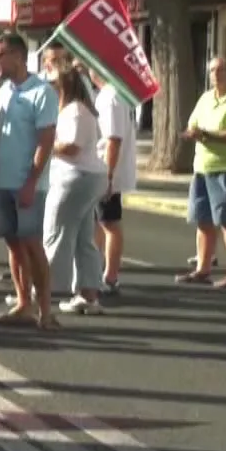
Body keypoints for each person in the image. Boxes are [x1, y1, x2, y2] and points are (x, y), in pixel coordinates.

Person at [0, 33, 58, 328]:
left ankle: (46, 311)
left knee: (31, 243)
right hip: (1, 179)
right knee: (13, 245)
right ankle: (22, 302)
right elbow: (0, 138)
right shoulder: (4, 91)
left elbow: (46, 141)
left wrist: (31, 181)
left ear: (16, 56)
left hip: (27, 182)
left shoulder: (42, 92)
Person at [176, 56, 226, 288]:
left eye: (221, 70)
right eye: (212, 70)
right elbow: (193, 125)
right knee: (203, 220)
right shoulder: (205, 98)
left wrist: (206, 135)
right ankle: (203, 269)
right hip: (202, 167)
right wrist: (193, 133)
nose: (216, 74)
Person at [45, 67, 110, 316]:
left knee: (56, 232)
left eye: (53, 85)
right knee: (84, 237)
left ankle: (41, 290)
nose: (50, 90)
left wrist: (46, 143)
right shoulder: (76, 110)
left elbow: (72, 147)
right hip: (86, 176)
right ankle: (88, 293)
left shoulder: (75, 111)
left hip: (76, 178)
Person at [94, 72, 140, 294]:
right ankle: (94, 272)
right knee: (97, 223)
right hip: (102, 169)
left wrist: (108, 175)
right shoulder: (117, 94)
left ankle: (110, 277)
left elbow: (113, 139)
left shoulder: (110, 96)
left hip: (106, 170)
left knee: (109, 222)